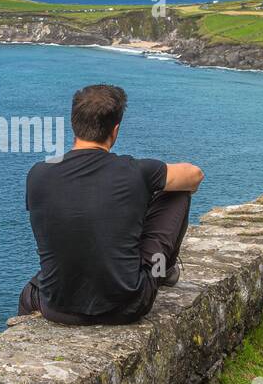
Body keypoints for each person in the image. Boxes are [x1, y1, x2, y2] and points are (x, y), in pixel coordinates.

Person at [16, 84, 204, 326]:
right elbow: (194, 175)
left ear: (74, 125)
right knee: (178, 193)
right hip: (128, 306)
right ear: (115, 131)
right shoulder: (136, 171)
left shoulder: (38, 174)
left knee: (30, 289)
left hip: (56, 306)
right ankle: (162, 270)